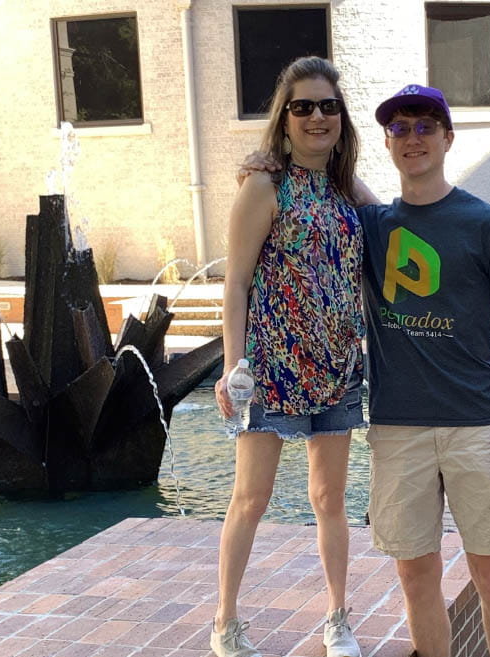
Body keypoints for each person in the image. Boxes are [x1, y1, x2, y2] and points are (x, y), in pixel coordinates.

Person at [358, 84, 490, 657]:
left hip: (477, 427)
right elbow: (316, 171)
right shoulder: (370, 227)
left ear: (447, 138)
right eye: (400, 128)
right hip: (398, 429)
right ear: (387, 143)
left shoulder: (487, 223)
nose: (412, 138)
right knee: (416, 578)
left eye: (424, 127)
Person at [211, 56, 365, 657]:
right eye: (303, 106)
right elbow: (236, 283)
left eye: (328, 105)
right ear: (285, 117)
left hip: (336, 369)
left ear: (340, 117)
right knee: (251, 497)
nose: (317, 116)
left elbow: (399, 221)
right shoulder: (263, 185)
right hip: (272, 369)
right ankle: (225, 622)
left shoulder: (346, 187)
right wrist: (233, 364)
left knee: (330, 499)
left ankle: (337, 618)